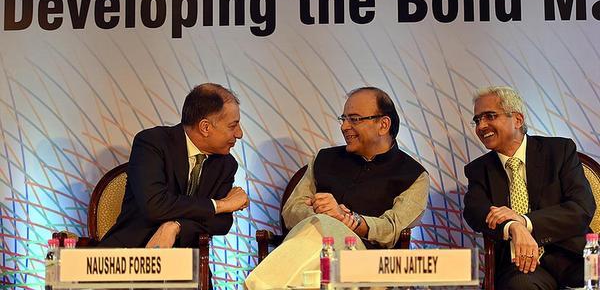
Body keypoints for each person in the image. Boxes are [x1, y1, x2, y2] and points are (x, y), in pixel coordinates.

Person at [245, 87, 429, 288]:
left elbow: (393, 228)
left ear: (383, 125)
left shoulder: (413, 175)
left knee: (324, 231)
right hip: (312, 262)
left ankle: (260, 284)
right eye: (343, 119)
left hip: (365, 266)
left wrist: (348, 221)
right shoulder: (323, 159)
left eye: (354, 119)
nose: (344, 126)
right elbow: (291, 210)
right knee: (321, 233)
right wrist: (324, 217)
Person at [463, 86, 596, 289]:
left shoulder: (559, 151)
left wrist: (525, 222)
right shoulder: (478, 170)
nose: (481, 126)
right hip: (521, 267)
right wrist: (513, 226)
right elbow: (475, 212)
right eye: (477, 120)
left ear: (517, 119)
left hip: (575, 257)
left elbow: (581, 208)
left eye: (490, 116)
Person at [100, 83, 249, 250]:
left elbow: (222, 222)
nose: (239, 133)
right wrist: (220, 205)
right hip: (131, 254)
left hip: (188, 263)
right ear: (205, 127)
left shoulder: (226, 164)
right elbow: (155, 205)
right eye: (232, 126)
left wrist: (176, 226)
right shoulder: (152, 143)